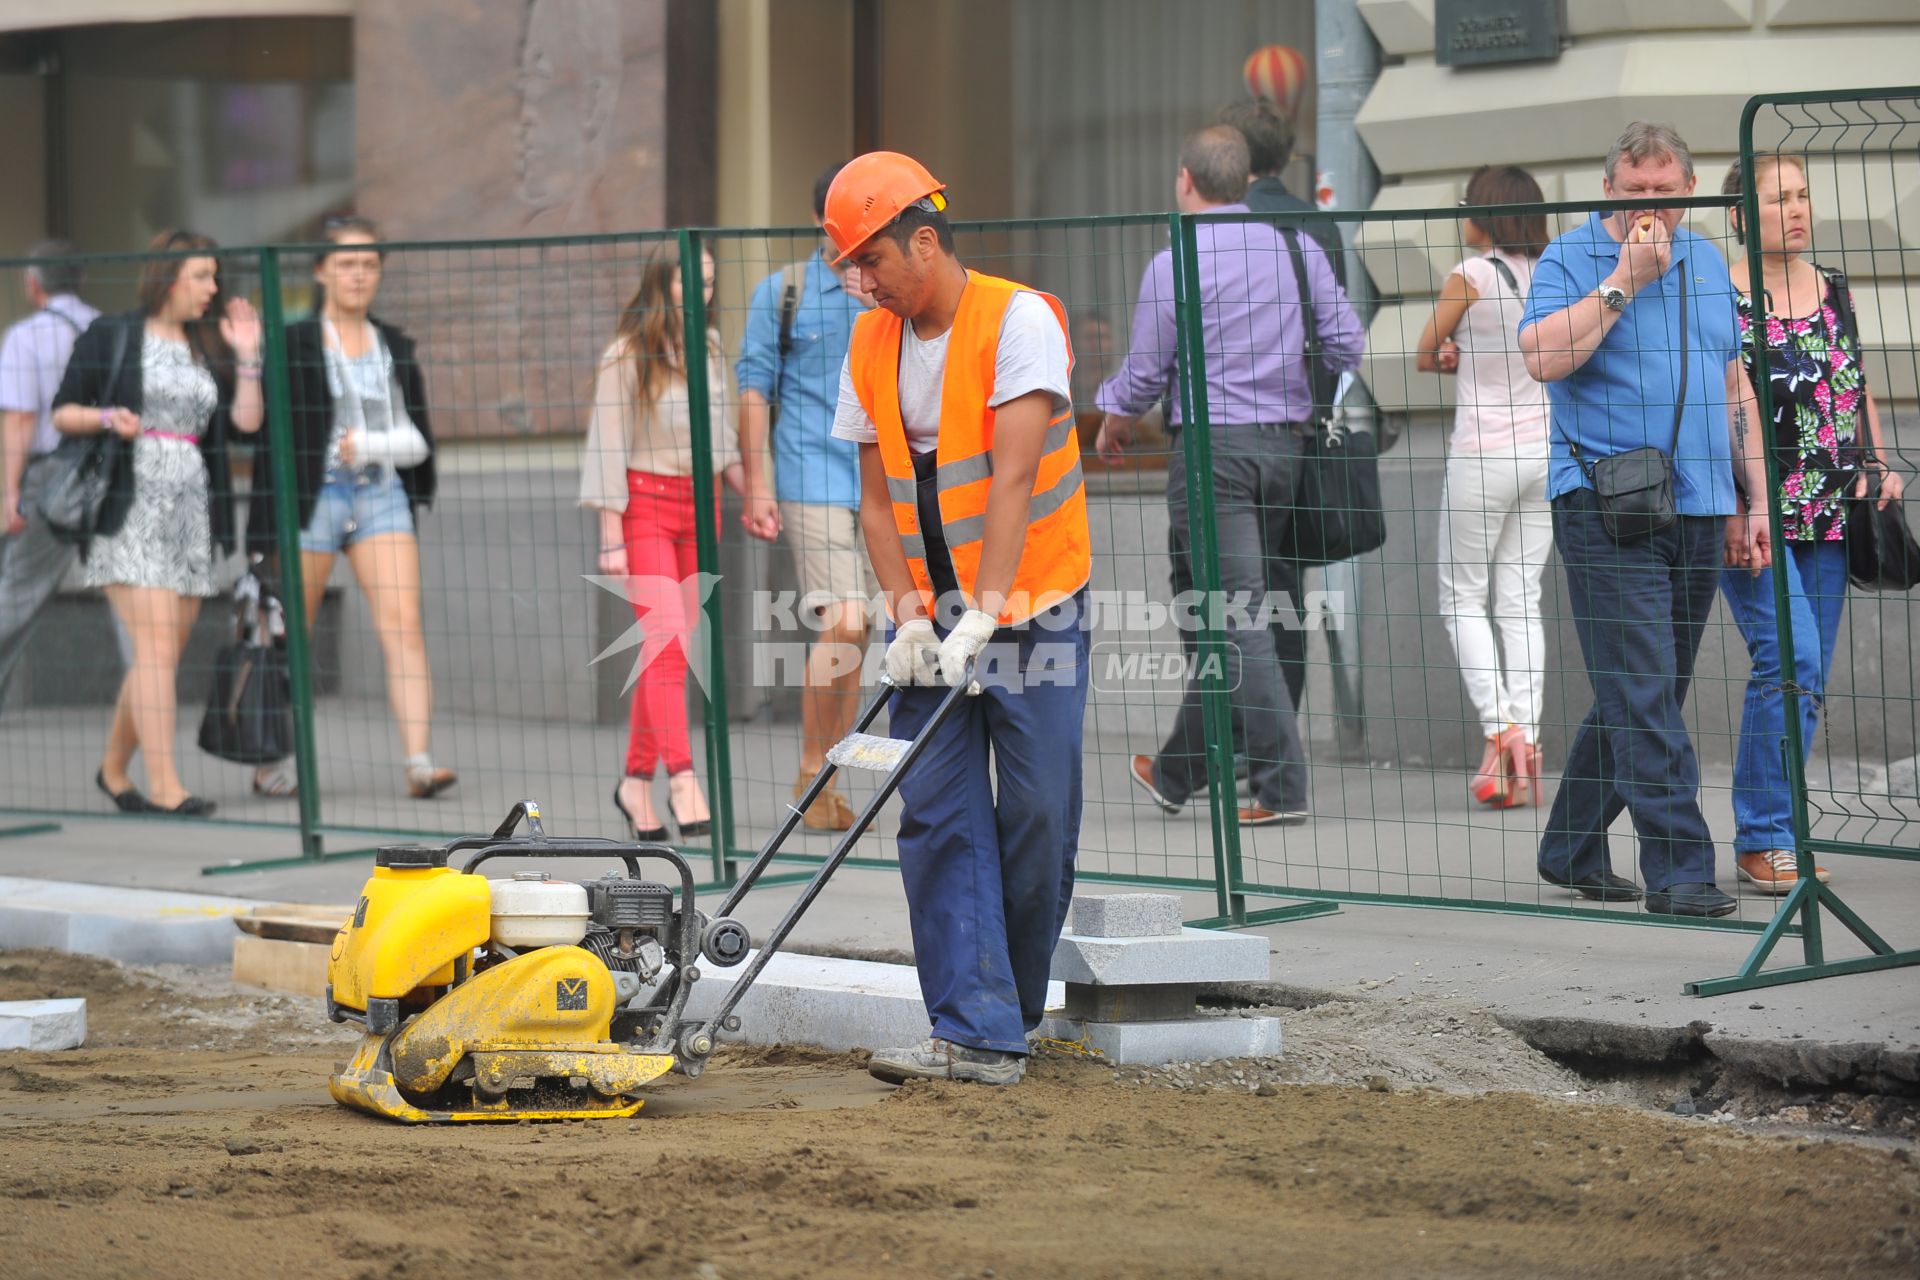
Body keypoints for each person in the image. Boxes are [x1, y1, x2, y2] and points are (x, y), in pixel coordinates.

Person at [825, 151, 1089, 1086]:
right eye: (848, 266)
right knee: (937, 814)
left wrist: (986, 614)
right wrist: (907, 620)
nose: (861, 282)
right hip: (928, 617)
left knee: (1037, 812)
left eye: (871, 261)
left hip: (1032, 606)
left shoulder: (1019, 320)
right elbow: (874, 502)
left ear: (923, 241)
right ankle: (971, 1032)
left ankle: (1006, 1014)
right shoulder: (868, 346)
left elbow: (1012, 477)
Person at [1518, 123, 1774, 918]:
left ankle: (1568, 847)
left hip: (1698, 503)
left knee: (1647, 688)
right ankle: (1681, 872)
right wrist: (1625, 279)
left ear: (1688, 190)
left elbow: (1735, 386)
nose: (1653, 208)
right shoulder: (1570, 257)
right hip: (1606, 504)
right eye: (1637, 194)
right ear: (1611, 191)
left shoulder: (1705, 262)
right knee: (1643, 693)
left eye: (1667, 193)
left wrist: (1752, 498)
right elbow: (1540, 358)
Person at [1097, 125, 1363, 827]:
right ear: (1245, 183)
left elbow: (1147, 373)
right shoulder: (1295, 247)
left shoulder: (1174, 260)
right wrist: (1301, 396)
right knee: (1233, 610)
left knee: (1235, 616)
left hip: (1211, 455)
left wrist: (1112, 415)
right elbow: (1347, 342)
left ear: (1186, 180)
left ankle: (1281, 788)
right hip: (1283, 452)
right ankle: (1180, 772)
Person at [1718, 154, 1902, 892]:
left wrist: (1881, 464)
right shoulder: (1718, 298)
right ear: (1738, 214)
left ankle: (1778, 830)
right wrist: (1736, 503)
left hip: (1833, 509)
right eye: (1775, 198)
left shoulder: (1832, 290)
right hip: (1753, 512)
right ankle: (1761, 837)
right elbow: (1719, 406)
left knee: (1809, 674)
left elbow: (1854, 386)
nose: (1796, 209)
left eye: (1801, 196)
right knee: (1785, 660)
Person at [50, 229, 265, 815]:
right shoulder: (112, 335)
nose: (212, 288)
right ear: (167, 274)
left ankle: (114, 772)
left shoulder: (207, 345)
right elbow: (62, 412)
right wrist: (104, 417)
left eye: (214, 276)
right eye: (201, 275)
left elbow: (246, 423)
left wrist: (247, 359)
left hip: (192, 513)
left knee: (160, 654)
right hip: (126, 507)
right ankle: (167, 785)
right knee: (154, 649)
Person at [244, 214, 453, 800]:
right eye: (346, 264)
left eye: (369, 264)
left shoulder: (393, 344)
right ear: (321, 270)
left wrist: (373, 448)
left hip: (380, 494)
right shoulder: (293, 342)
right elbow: (257, 430)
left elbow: (417, 435)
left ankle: (420, 761)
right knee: (293, 633)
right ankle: (272, 760)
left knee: (403, 625)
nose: (359, 275)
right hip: (312, 498)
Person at [584, 239, 742, 841]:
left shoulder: (708, 347)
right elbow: (607, 446)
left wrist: (754, 494)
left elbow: (722, 436)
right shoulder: (626, 354)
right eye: (687, 282)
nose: (700, 294)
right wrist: (609, 537)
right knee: (668, 641)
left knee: (666, 649)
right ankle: (682, 777)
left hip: (701, 505)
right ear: (661, 284)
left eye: (707, 283)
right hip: (643, 504)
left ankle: (633, 783)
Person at [736, 162, 873, 832]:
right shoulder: (784, 290)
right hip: (809, 471)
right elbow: (753, 386)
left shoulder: (888, 284)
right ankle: (812, 769)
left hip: (880, 480)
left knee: (864, 626)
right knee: (844, 619)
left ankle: (827, 780)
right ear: (830, 222)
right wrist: (756, 482)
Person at [1414, 165, 1554, 808]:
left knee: (1462, 599)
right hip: (1545, 454)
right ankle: (1528, 743)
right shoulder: (1552, 275)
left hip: (1481, 455)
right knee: (1519, 598)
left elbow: (1423, 349)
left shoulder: (1469, 276)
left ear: (1483, 216)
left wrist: (1451, 353)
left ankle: (1500, 731)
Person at [0, 241, 102, 712]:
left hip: (54, 473)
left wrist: (10, 491)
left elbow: (20, 418)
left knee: (17, 589)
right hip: (109, 471)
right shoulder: (107, 327)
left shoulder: (25, 336)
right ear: (80, 279)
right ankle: (149, 697)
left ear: (32, 284)